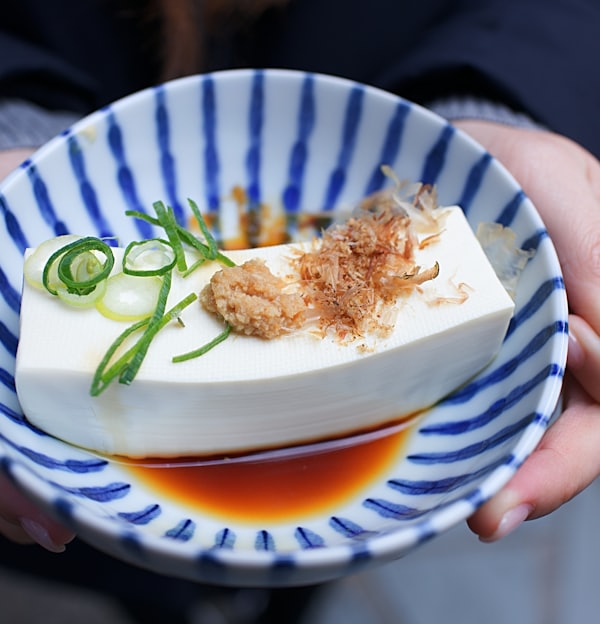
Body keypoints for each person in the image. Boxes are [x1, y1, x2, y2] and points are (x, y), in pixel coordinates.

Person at [1, 0, 600, 614]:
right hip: (90, 506)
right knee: (142, 586)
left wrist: (503, 105)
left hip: (414, 61)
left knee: (294, 590)